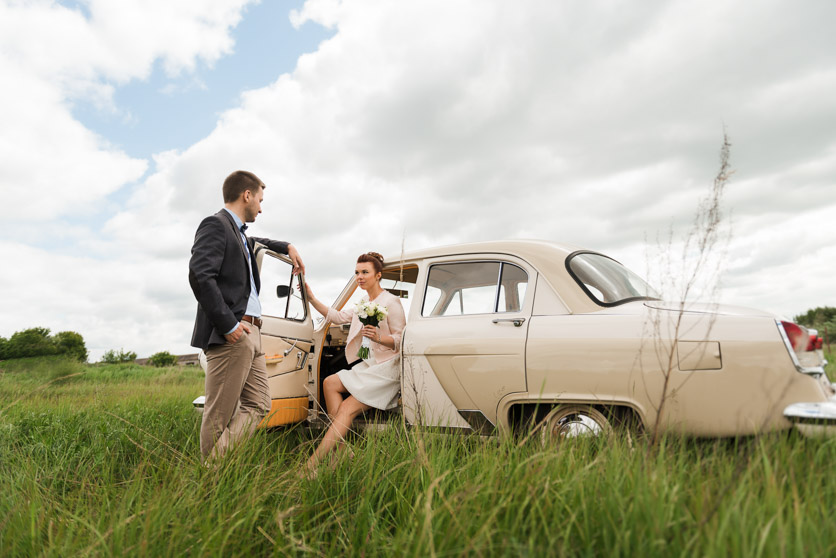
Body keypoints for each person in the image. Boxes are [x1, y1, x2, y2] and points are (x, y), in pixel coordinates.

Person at [188, 170, 305, 462]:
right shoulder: (215, 224)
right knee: (219, 414)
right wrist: (228, 325)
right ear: (247, 195)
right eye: (260, 200)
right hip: (232, 334)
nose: (261, 208)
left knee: (260, 404)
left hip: (253, 334)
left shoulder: (240, 234)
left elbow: (255, 242)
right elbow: (200, 276)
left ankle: (215, 465)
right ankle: (210, 480)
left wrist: (285, 246)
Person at [303, 252, 406, 473]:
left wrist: (379, 338)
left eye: (365, 272)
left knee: (347, 409)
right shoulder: (364, 303)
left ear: (378, 275)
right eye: (357, 272)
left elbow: (402, 339)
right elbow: (338, 317)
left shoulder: (391, 301)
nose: (360, 276)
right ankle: (342, 451)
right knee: (329, 383)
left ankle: (311, 465)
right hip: (368, 365)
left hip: (387, 368)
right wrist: (311, 298)